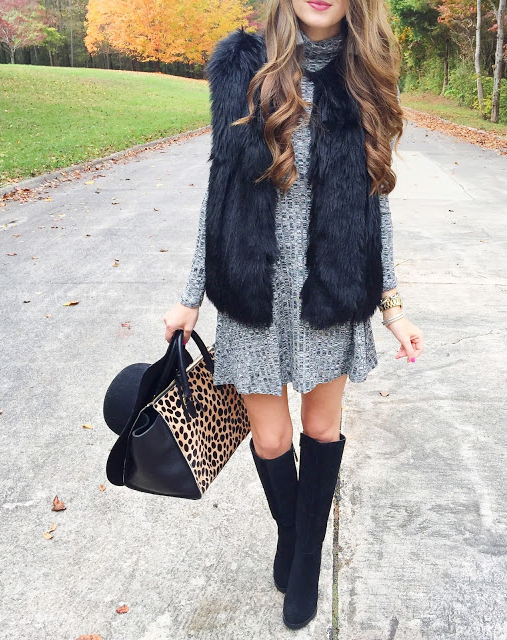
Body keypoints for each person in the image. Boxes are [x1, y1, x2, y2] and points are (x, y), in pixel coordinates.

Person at [163, 0, 424, 630]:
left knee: (322, 430)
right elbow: (217, 190)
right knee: (273, 438)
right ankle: (297, 536)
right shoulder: (243, 68)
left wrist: (392, 305)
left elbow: (376, 203)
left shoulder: (364, 77)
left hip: (329, 291)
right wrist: (190, 294)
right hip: (254, 292)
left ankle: (303, 561)